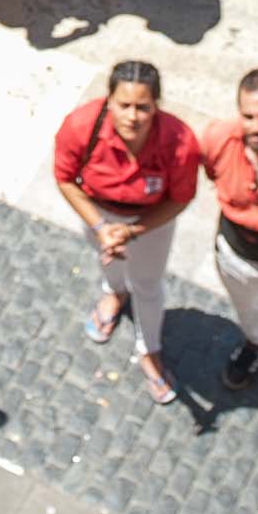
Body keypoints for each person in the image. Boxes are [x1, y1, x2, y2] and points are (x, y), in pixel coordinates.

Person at [53, 57, 198, 408]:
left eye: (142, 107)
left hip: (150, 221)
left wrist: (132, 231)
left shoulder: (179, 142)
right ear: (109, 101)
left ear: (156, 105)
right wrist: (101, 228)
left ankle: (149, 349)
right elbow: (65, 178)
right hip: (98, 213)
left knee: (148, 284)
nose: (132, 116)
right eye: (124, 105)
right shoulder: (80, 126)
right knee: (107, 260)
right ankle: (114, 293)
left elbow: (180, 198)